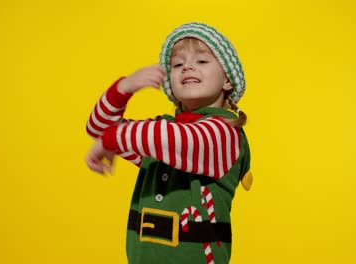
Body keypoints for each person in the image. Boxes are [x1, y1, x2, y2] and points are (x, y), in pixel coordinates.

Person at [85, 22, 252, 264]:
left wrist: (112, 139)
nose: (188, 67)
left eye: (202, 61)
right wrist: (124, 88)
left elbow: (178, 141)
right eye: (177, 64)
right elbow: (98, 129)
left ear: (227, 80)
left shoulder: (224, 132)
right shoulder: (157, 136)